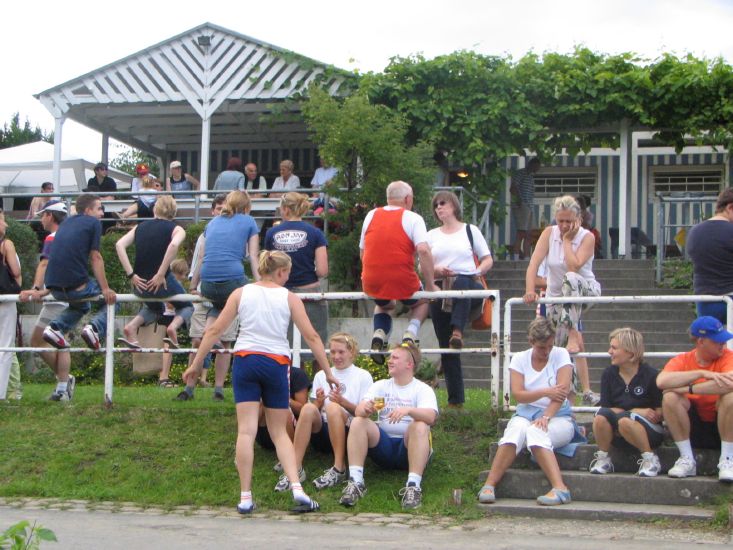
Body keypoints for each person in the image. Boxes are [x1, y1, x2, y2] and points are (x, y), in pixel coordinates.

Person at [182, 250, 338, 514]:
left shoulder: (241, 293)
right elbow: (311, 336)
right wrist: (328, 371)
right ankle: (297, 489)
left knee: (246, 431)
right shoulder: (288, 297)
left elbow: (215, 329)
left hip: (245, 359)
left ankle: (245, 496)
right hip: (275, 362)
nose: (287, 278)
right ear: (280, 272)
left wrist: (196, 364)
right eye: (287, 273)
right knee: (279, 432)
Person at [478, 318, 580, 506]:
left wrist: (546, 416)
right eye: (542, 347)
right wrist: (545, 392)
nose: (547, 351)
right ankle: (489, 484)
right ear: (531, 342)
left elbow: (562, 392)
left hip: (558, 415)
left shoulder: (561, 354)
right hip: (526, 413)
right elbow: (518, 395)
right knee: (515, 430)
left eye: (550, 346)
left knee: (536, 431)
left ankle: (560, 488)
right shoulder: (520, 358)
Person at [339, 341, 438, 510]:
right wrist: (366, 409)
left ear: (409, 364)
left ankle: (413, 486)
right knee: (358, 421)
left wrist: (409, 410)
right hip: (383, 446)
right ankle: (356, 482)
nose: (389, 361)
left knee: (420, 425)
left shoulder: (422, 389)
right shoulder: (381, 386)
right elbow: (359, 409)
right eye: (390, 357)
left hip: (408, 447)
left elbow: (431, 417)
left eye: (395, 358)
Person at [524, 194, 601, 405]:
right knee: (559, 351)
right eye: (561, 221)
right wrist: (530, 290)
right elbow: (533, 264)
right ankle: (569, 401)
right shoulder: (549, 233)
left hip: (584, 292)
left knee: (570, 278)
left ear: (578, 219)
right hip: (557, 300)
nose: (564, 225)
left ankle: (573, 333)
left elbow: (574, 266)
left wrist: (567, 240)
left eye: (569, 221)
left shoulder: (587, 237)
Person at [183, 190, 260, 401]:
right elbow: (253, 256)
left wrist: (193, 285)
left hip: (208, 285)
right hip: (233, 282)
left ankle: (190, 385)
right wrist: (260, 283)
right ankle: (221, 347)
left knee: (215, 314)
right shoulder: (249, 221)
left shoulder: (212, 223)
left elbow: (201, 257)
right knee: (250, 301)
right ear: (246, 207)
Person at [115, 195, 193, 386]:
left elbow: (119, 245)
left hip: (139, 285)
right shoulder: (176, 228)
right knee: (187, 306)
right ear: (173, 211)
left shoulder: (140, 226)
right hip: (161, 283)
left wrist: (131, 274)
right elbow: (173, 245)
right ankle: (173, 327)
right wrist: (160, 273)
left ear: (155, 209)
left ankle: (132, 327)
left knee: (154, 308)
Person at [427, 190, 493, 408]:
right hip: (441, 288)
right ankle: (456, 401)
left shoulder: (470, 230)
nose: (439, 207)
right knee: (446, 346)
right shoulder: (431, 235)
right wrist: (436, 269)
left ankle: (458, 331)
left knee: (462, 282)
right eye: (436, 205)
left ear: (454, 206)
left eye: (442, 203)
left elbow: (487, 259)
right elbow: (422, 266)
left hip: (468, 284)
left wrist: (477, 271)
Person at [360, 180, 437, 364]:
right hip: (402, 278)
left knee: (385, 304)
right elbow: (423, 250)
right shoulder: (413, 218)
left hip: (372, 279)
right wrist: (430, 284)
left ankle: (379, 333)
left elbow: (363, 252)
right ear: (408, 199)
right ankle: (410, 333)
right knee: (423, 301)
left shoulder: (371, 215)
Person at [288, 332, 373, 491]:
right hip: (322, 431)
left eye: (341, 352)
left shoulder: (363, 376)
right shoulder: (322, 375)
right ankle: (295, 468)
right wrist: (318, 402)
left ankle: (339, 467)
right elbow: (315, 409)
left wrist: (342, 402)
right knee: (308, 408)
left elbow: (364, 414)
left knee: (333, 407)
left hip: (349, 432)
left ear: (352, 352)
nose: (336, 356)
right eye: (333, 352)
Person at [656, 316, 733, 481]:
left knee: (731, 397)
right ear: (701, 341)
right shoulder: (682, 360)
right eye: (717, 341)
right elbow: (662, 381)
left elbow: (729, 383)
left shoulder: (728, 357)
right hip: (694, 426)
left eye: (723, 340)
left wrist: (688, 388)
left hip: (723, 424)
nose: (723, 344)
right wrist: (700, 373)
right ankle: (686, 459)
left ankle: (727, 459)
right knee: (670, 397)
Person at [41, 194, 117, 352]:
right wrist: (106, 289)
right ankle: (94, 329)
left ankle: (55, 328)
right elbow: (96, 257)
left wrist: (43, 290)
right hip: (75, 286)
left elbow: (57, 259)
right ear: (88, 210)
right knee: (114, 300)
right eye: (99, 209)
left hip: (54, 288)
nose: (102, 213)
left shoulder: (66, 222)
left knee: (81, 306)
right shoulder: (93, 223)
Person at [589, 328, 664, 477]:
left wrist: (632, 415)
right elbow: (607, 410)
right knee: (600, 417)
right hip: (618, 431)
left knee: (625, 421)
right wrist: (634, 411)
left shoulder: (651, 375)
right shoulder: (609, 374)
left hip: (648, 432)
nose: (609, 351)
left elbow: (659, 413)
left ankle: (650, 460)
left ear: (630, 352)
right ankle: (603, 459)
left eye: (614, 348)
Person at [18, 201, 73, 401]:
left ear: (51, 215)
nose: (41, 219)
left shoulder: (52, 238)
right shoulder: (70, 237)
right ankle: (64, 382)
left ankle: (63, 385)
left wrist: (36, 289)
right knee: (45, 341)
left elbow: (44, 264)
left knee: (51, 342)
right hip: (63, 295)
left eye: (43, 215)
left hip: (57, 297)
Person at [265, 192, 329, 350]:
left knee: (284, 345)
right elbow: (322, 270)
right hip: (309, 293)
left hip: (281, 294)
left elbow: (266, 266)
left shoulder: (271, 233)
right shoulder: (315, 233)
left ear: (286, 209)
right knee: (315, 342)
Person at [187, 195, 236, 389]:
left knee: (225, 342)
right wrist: (193, 285)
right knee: (197, 340)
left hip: (226, 295)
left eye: (225, 208)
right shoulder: (205, 234)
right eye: (218, 208)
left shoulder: (234, 233)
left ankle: (218, 388)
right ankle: (189, 386)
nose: (221, 212)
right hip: (203, 293)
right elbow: (198, 260)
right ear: (212, 211)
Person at [686, 188, 733, 324]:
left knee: (711, 336)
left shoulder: (694, 232)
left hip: (705, 302)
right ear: (730, 207)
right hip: (731, 298)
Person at [0, 209, 21, 401]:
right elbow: (15, 271)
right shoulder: (6, 244)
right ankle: (2, 393)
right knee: (6, 346)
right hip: (5, 299)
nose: (6, 224)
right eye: (3, 219)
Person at [510, 157, 540, 260]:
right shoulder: (521, 173)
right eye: (537, 166)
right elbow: (513, 188)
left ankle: (527, 258)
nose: (538, 169)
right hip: (522, 205)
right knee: (521, 232)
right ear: (532, 164)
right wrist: (519, 200)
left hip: (530, 206)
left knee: (529, 233)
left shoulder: (530, 176)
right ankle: (516, 258)